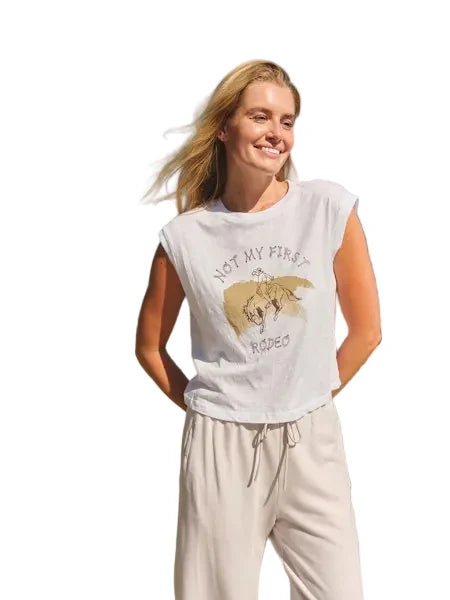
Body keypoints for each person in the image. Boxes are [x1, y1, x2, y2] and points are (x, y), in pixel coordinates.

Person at [135, 59, 381, 600]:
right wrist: (212, 410)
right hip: (222, 447)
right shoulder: (186, 238)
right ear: (225, 127)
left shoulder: (328, 209)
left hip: (311, 438)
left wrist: (306, 394)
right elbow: (149, 347)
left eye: (287, 121)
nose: (277, 133)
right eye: (260, 116)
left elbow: (367, 331)